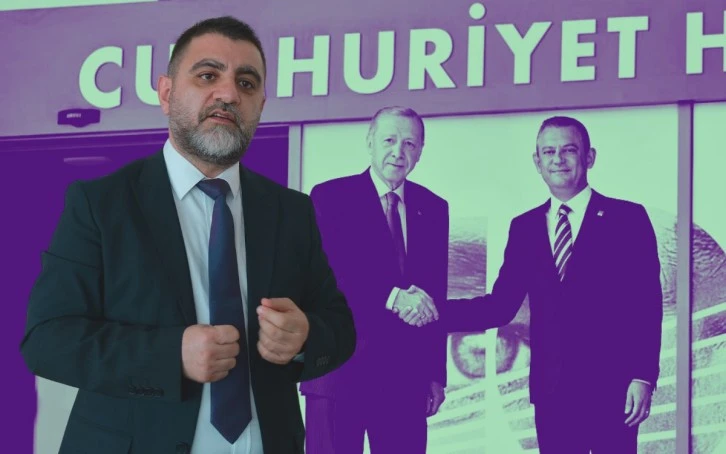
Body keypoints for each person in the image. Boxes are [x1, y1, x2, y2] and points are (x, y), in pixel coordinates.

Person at [20, 16, 355, 454]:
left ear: (260, 105)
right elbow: (47, 341)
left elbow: (339, 325)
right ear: (166, 93)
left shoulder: (291, 211)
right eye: (208, 75)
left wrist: (304, 337)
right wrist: (169, 356)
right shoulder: (101, 204)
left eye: (246, 83)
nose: (228, 94)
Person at [420, 116, 663, 453]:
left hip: (615, 388)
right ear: (537, 162)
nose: (558, 159)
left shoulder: (627, 219)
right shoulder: (525, 228)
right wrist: (432, 311)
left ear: (589, 157)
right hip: (553, 393)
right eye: (549, 152)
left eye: (569, 150)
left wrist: (643, 376)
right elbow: (500, 306)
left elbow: (646, 305)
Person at [299, 107, 449, 453]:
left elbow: (433, 296)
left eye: (410, 143)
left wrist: (434, 373)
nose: (398, 151)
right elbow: (328, 273)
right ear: (370, 142)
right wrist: (393, 297)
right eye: (389, 140)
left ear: (421, 151)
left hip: (405, 379)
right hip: (338, 373)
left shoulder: (433, 207)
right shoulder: (330, 197)